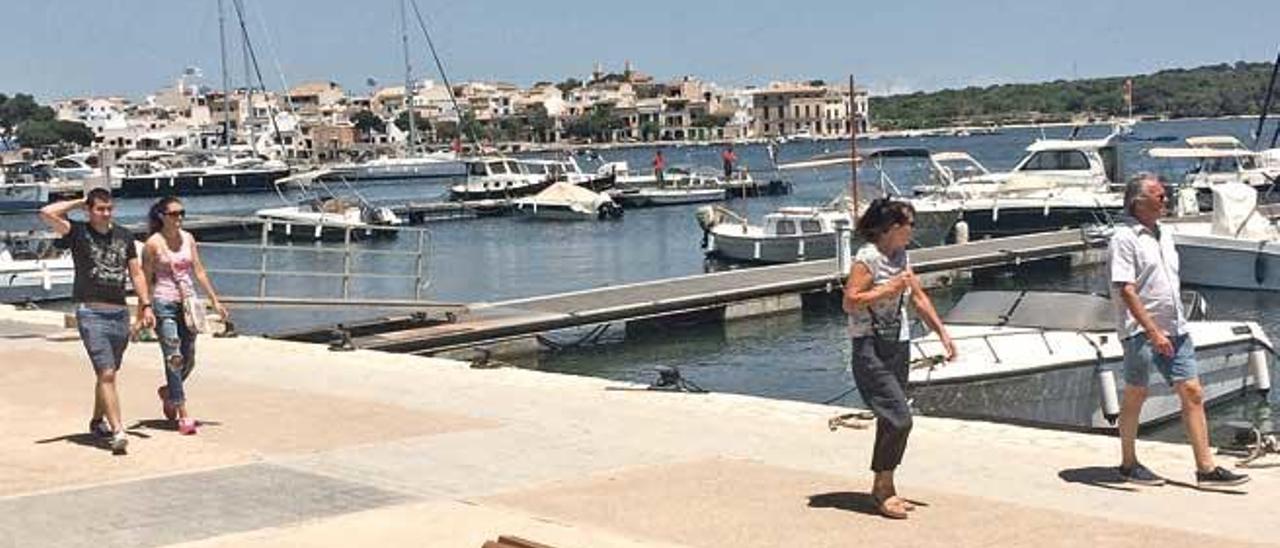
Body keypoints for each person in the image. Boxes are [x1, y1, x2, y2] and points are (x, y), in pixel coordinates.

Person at [1109, 173, 1249, 489]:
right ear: (1138, 202)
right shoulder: (1124, 238)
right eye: (1160, 196)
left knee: (1193, 392)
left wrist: (1172, 326)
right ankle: (1128, 463)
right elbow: (1126, 290)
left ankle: (1206, 469)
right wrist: (1153, 331)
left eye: (1166, 195)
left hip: (1176, 328)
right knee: (1136, 393)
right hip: (1141, 330)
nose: (1166, 200)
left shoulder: (1165, 234)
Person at [842, 198, 956, 519]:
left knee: (888, 419)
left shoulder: (902, 256)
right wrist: (887, 290)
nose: (913, 230)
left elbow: (918, 297)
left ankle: (883, 487)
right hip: (869, 346)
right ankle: (883, 488)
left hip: (898, 344)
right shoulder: (868, 258)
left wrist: (942, 333)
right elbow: (850, 301)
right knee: (900, 418)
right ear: (893, 228)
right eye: (910, 224)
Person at [40, 188, 154, 455]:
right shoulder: (78, 233)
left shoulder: (124, 235)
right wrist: (81, 200)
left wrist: (145, 304)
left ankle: (96, 421)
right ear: (89, 211)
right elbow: (46, 213)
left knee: (109, 372)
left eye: (109, 209)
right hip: (91, 313)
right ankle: (118, 431)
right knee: (107, 373)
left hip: (119, 313)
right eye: (100, 209)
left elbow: (136, 273)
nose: (105, 214)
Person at [141, 197, 229, 435]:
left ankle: (169, 393)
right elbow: (145, 278)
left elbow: (198, 270)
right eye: (174, 214)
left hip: (189, 303)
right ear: (162, 216)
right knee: (174, 356)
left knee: (189, 358)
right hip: (164, 302)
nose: (179, 218)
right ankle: (183, 413)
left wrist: (214, 300)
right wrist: (145, 307)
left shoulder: (188, 239)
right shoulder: (153, 244)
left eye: (182, 213)